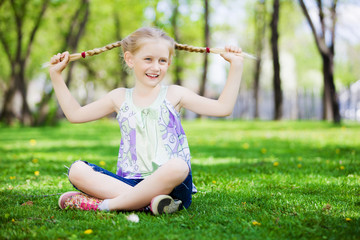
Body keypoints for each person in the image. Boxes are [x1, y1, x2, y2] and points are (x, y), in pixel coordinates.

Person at [49, 27, 244, 215]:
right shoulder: (118, 98)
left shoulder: (175, 94)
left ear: (169, 63)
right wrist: (56, 75)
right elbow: (75, 115)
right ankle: (149, 203)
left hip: (173, 187)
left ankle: (104, 205)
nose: (155, 67)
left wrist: (236, 66)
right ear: (130, 59)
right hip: (131, 182)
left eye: (162, 61)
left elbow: (223, 108)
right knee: (77, 170)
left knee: (179, 166)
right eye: (148, 59)